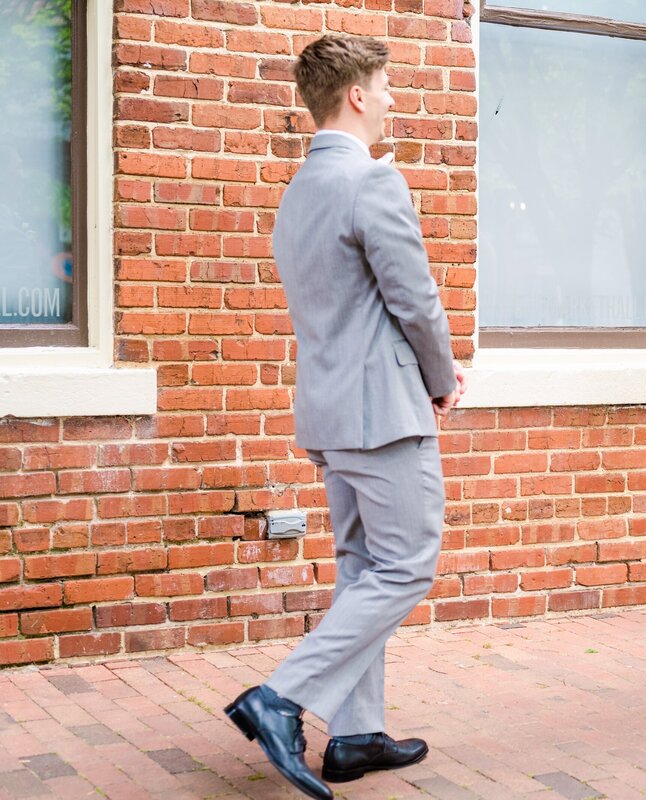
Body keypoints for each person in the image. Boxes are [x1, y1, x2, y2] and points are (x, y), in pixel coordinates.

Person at [224, 34, 466, 799]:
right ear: (356, 95)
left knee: (363, 566)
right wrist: (442, 376)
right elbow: (415, 299)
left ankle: (355, 736)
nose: (394, 98)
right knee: (407, 563)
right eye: (387, 85)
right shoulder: (372, 183)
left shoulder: (298, 191)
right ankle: (281, 698)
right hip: (384, 413)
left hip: (329, 413)